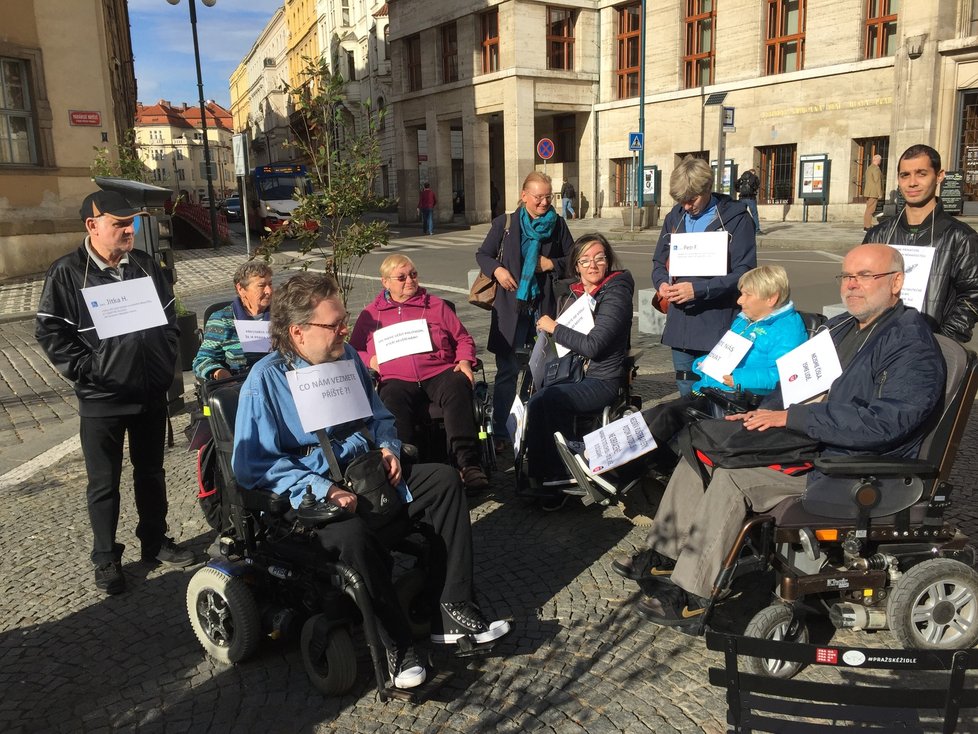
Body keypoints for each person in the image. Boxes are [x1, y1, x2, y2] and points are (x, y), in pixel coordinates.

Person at [621, 244, 946, 626]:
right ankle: (664, 554)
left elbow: (884, 424)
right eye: (846, 276)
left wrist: (792, 418)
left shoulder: (910, 343)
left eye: (864, 276)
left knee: (733, 477)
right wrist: (765, 414)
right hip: (814, 440)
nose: (852, 286)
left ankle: (693, 593)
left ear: (896, 282)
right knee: (700, 451)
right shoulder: (845, 326)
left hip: (847, 465)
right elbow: (796, 380)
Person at [231, 272, 510, 690]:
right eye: (335, 324)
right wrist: (323, 488)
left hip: (369, 478)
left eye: (344, 319)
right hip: (315, 498)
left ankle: (451, 607)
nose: (346, 329)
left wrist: (388, 448)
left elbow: (381, 418)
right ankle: (395, 646)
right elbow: (254, 464)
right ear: (298, 332)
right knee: (352, 534)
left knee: (444, 482)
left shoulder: (346, 361)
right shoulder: (265, 382)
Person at [35, 190, 195, 595]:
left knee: (152, 473)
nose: (129, 230)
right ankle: (106, 558)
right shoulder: (67, 272)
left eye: (132, 223)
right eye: (120, 224)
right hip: (102, 399)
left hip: (148, 393)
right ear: (92, 225)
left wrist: (162, 364)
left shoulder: (144, 265)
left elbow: (170, 317)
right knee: (103, 483)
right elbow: (50, 331)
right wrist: (89, 371)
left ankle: (155, 541)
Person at [349, 255, 489, 492]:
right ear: (385, 282)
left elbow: (463, 338)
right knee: (390, 397)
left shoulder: (435, 305)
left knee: (457, 384)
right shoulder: (371, 314)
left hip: (437, 370)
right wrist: (369, 359)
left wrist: (464, 360)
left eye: (413, 274)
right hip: (396, 377)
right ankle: (407, 468)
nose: (409, 281)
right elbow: (353, 349)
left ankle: (467, 464)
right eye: (401, 277)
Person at [531, 234, 634, 507]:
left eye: (599, 258)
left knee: (547, 400)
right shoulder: (574, 292)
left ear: (608, 261)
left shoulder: (616, 293)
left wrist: (555, 328)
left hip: (602, 379)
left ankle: (557, 475)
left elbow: (593, 345)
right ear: (576, 265)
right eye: (585, 260)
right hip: (572, 371)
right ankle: (542, 466)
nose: (593, 265)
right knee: (535, 391)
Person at [475, 171, 575, 450]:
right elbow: (482, 254)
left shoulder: (557, 225)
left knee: (538, 369)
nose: (544, 202)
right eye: (538, 197)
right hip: (510, 307)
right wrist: (497, 270)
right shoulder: (504, 223)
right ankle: (501, 432)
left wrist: (551, 264)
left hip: (542, 307)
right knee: (507, 370)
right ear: (524, 195)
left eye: (548, 196)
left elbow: (573, 260)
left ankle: (529, 425)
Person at [652, 156, 757, 397]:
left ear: (707, 188)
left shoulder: (737, 219)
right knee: (686, 396)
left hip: (717, 326)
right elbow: (659, 261)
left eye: (691, 199)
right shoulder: (674, 217)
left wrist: (699, 290)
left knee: (717, 396)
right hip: (680, 327)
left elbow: (745, 272)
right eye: (681, 201)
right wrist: (661, 283)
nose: (686, 206)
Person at [863, 143, 978, 343]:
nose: (912, 183)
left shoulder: (961, 237)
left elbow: (972, 295)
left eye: (921, 174)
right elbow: (860, 283)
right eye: (905, 175)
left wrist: (941, 340)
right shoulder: (878, 235)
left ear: (939, 176)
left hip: (931, 347)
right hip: (879, 343)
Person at [192, 261, 274, 381]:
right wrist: (218, 372)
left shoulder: (282, 315)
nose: (269, 291)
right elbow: (201, 360)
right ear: (240, 289)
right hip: (240, 384)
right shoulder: (222, 320)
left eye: (270, 284)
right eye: (261, 286)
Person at [735, 167, 761, 234]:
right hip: (750, 198)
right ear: (752, 172)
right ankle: (757, 230)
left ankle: (741, 229)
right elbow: (757, 186)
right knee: (754, 214)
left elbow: (736, 186)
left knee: (741, 214)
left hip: (741, 198)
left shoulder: (742, 178)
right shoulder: (754, 177)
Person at [863, 153, 884, 230]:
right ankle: (867, 227)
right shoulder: (876, 169)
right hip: (873, 192)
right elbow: (877, 181)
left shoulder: (869, 168)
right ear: (877, 160)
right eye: (880, 160)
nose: (880, 162)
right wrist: (880, 193)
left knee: (868, 209)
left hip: (868, 192)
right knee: (870, 210)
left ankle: (866, 225)